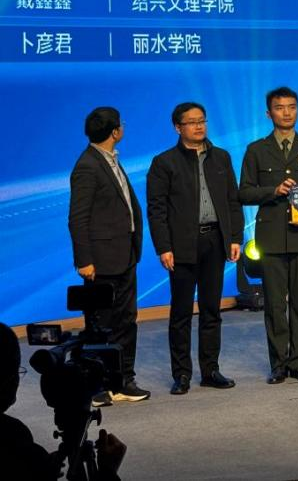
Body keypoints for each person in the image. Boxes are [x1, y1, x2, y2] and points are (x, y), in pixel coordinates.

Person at [146, 102, 243, 395]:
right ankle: (182, 374)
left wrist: (235, 238)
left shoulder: (221, 157)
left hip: (215, 241)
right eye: (192, 122)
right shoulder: (164, 162)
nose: (199, 126)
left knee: (212, 308)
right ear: (178, 127)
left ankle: (210, 370)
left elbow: (232, 200)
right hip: (182, 245)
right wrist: (164, 246)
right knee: (181, 312)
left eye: (202, 120)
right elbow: (156, 209)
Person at [239, 86, 298, 384]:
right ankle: (278, 363)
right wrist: (273, 190)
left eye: (292, 106)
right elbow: (244, 192)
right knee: (275, 303)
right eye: (280, 108)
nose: (287, 112)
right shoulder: (256, 149)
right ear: (269, 113)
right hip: (271, 236)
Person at [67, 107, 150, 405]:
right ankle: (97, 386)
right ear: (115, 131)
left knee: (126, 320)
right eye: (121, 124)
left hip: (125, 254)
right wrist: (84, 260)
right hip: (101, 260)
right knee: (100, 323)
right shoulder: (87, 165)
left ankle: (123, 380)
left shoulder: (110, 159)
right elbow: (78, 217)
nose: (123, 128)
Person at [1, 322, 127, 481]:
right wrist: (108, 471)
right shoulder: (13, 438)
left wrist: (40, 468)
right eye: (16, 372)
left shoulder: (14, 438)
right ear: (6, 380)